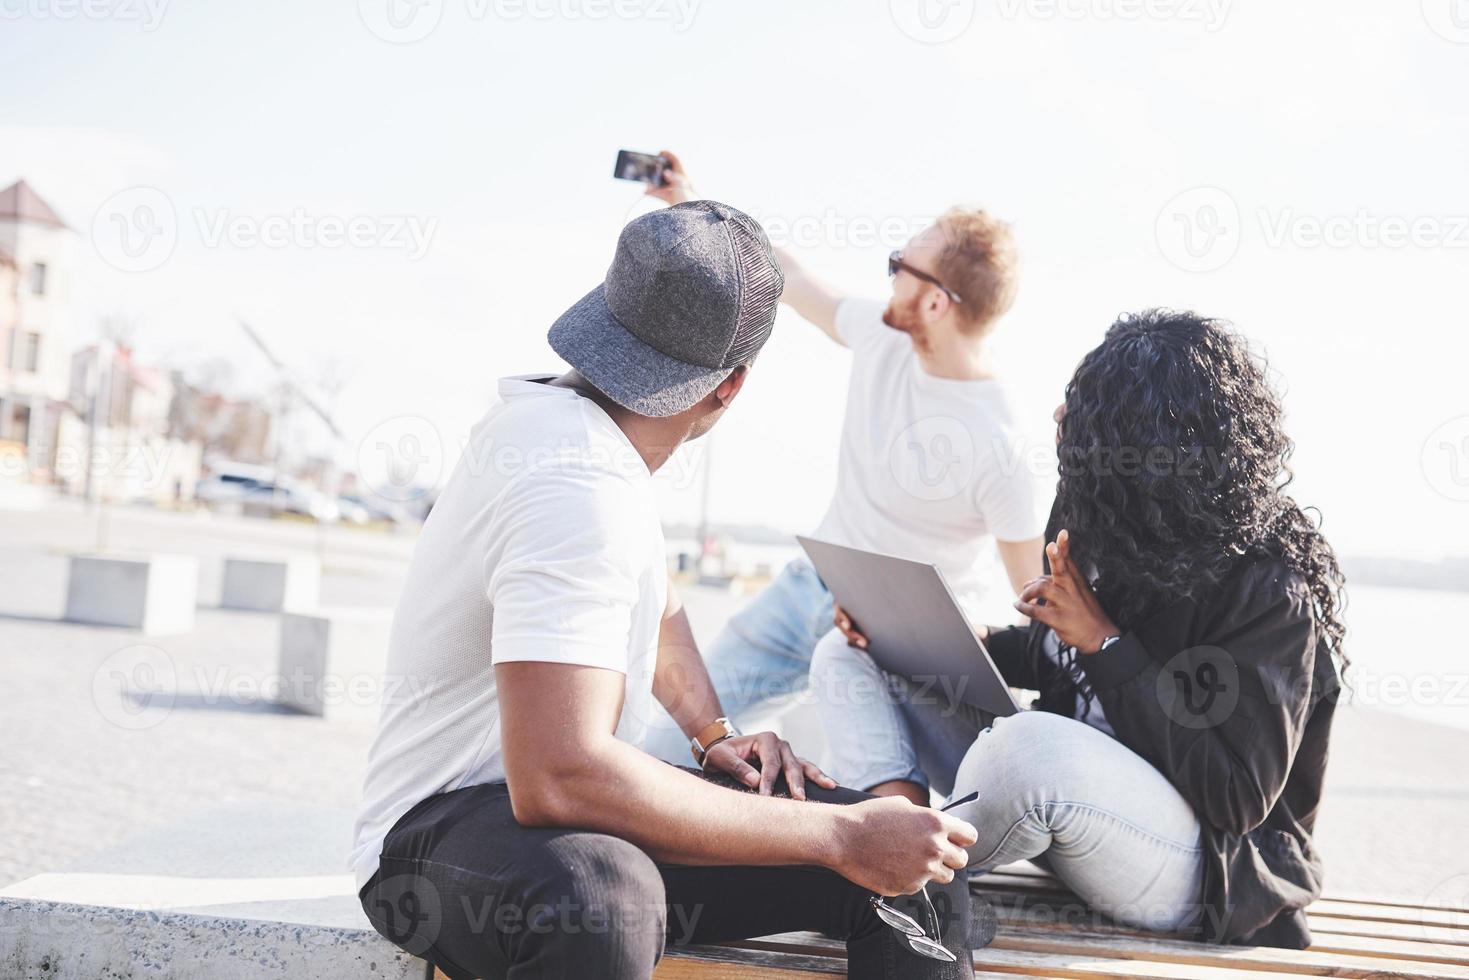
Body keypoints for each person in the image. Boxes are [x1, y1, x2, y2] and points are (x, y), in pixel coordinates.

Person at [350, 200, 988, 980]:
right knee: (601, 898)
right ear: (731, 388)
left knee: (920, 865)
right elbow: (557, 776)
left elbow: (656, 605)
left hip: (548, 808)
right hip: (436, 833)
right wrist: (840, 836)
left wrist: (712, 733)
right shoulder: (573, 482)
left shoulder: (578, 422)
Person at [813, 309, 1346, 948]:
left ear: (1150, 445)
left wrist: (1104, 643)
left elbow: (1236, 797)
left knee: (1030, 746)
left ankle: (894, 874)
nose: (1060, 419)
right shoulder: (1098, 520)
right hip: (1069, 819)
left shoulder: (1264, 590)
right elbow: (1052, 659)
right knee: (849, 654)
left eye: (1084, 409)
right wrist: (922, 632)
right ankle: (891, 832)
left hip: (1201, 870)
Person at [642, 151, 1047, 763]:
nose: (888, 278)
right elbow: (792, 278)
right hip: (810, 589)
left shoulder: (1003, 445)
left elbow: (1036, 601)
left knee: (871, 798)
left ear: (937, 303)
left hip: (898, 647)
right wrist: (691, 202)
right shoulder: (884, 335)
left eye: (898, 265)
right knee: (667, 747)